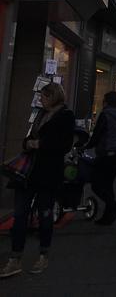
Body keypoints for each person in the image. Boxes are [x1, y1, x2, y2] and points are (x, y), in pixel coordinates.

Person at [0, 82, 75, 278]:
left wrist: (39, 144)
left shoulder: (66, 116)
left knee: (45, 214)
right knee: (20, 214)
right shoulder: (41, 114)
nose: (40, 99)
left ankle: (43, 254)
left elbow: (64, 144)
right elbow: (28, 139)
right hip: (29, 172)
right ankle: (14, 258)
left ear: (52, 97)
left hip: (48, 173)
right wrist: (29, 143)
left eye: (43, 96)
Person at [87, 91, 116, 225]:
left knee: (96, 185)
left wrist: (85, 146)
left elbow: (97, 134)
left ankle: (114, 206)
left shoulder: (106, 114)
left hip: (106, 154)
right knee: (108, 185)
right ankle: (108, 215)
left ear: (106, 101)